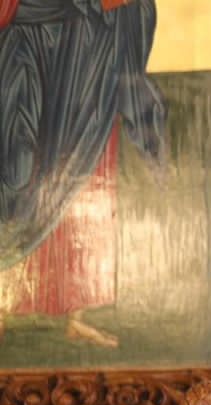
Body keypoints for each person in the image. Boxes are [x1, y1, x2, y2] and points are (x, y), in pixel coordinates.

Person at [0, 0, 167, 349]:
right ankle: (3, 304)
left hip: (89, 54)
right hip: (28, 49)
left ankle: (76, 312)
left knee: (85, 179)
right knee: (22, 173)